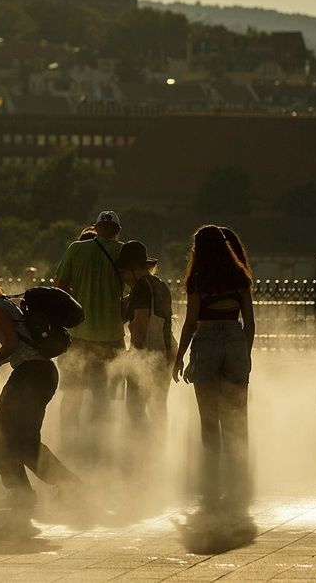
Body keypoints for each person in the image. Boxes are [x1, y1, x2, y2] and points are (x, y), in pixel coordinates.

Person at [0, 262, 79, 509]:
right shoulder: (5, 303)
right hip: (39, 373)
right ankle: (62, 487)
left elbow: (13, 342)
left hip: (32, 375)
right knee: (22, 439)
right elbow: (21, 345)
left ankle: (25, 492)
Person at [173, 225, 256, 509]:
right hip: (234, 338)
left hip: (206, 341)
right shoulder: (239, 277)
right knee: (237, 417)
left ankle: (212, 484)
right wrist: (245, 353)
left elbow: (191, 321)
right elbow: (250, 322)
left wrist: (180, 356)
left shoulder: (198, 279)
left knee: (209, 421)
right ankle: (240, 481)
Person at [53, 210, 126, 458]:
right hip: (111, 336)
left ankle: (68, 443)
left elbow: (59, 288)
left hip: (77, 335)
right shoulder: (122, 252)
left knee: (71, 392)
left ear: (96, 227)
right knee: (102, 395)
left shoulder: (76, 248)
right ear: (117, 230)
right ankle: (97, 445)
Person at [118, 240, 175, 437]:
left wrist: (133, 359)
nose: (123, 276)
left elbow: (140, 326)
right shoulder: (159, 284)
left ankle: (143, 452)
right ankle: (160, 451)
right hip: (165, 355)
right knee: (158, 409)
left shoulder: (141, 287)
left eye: (124, 271)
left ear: (133, 268)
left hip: (147, 357)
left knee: (135, 410)